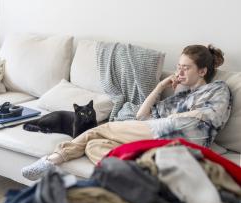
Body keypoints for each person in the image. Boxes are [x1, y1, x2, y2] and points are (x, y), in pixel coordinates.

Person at [22, 44, 232, 181]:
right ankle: (138, 174)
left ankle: (54, 158)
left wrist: (175, 117)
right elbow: (142, 116)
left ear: (202, 71)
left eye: (185, 68)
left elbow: (209, 117)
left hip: (186, 138)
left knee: (103, 129)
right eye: (178, 67)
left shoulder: (218, 88)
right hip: (163, 137)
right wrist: (160, 88)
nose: (179, 72)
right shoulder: (178, 98)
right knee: (95, 145)